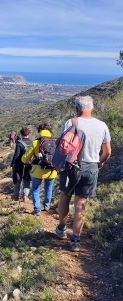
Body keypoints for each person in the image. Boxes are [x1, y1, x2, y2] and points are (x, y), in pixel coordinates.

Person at [55, 96, 111, 251]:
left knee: (65, 197)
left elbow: (61, 145)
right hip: (91, 167)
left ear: (76, 109)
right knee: (81, 204)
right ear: (91, 108)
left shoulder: (71, 122)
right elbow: (107, 152)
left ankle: (61, 228)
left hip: (71, 167)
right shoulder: (102, 125)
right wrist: (99, 162)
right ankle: (75, 240)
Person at [22, 123, 58, 215]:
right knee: (49, 188)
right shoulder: (56, 141)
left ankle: (37, 209)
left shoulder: (36, 142)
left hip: (38, 170)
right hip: (52, 170)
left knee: (35, 190)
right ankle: (46, 206)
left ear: (39, 131)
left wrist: (25, 160)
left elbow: (25, 158)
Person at [10, 127, 32, 202]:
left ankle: (16, 196)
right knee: (27, 180)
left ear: (21, 134)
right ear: (29, 133)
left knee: (18, 179)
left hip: (19, 164)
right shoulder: (32, 142)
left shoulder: (19, 143)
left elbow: (16, 155)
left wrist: (12, 164)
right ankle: (25, 196)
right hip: (29, 164)